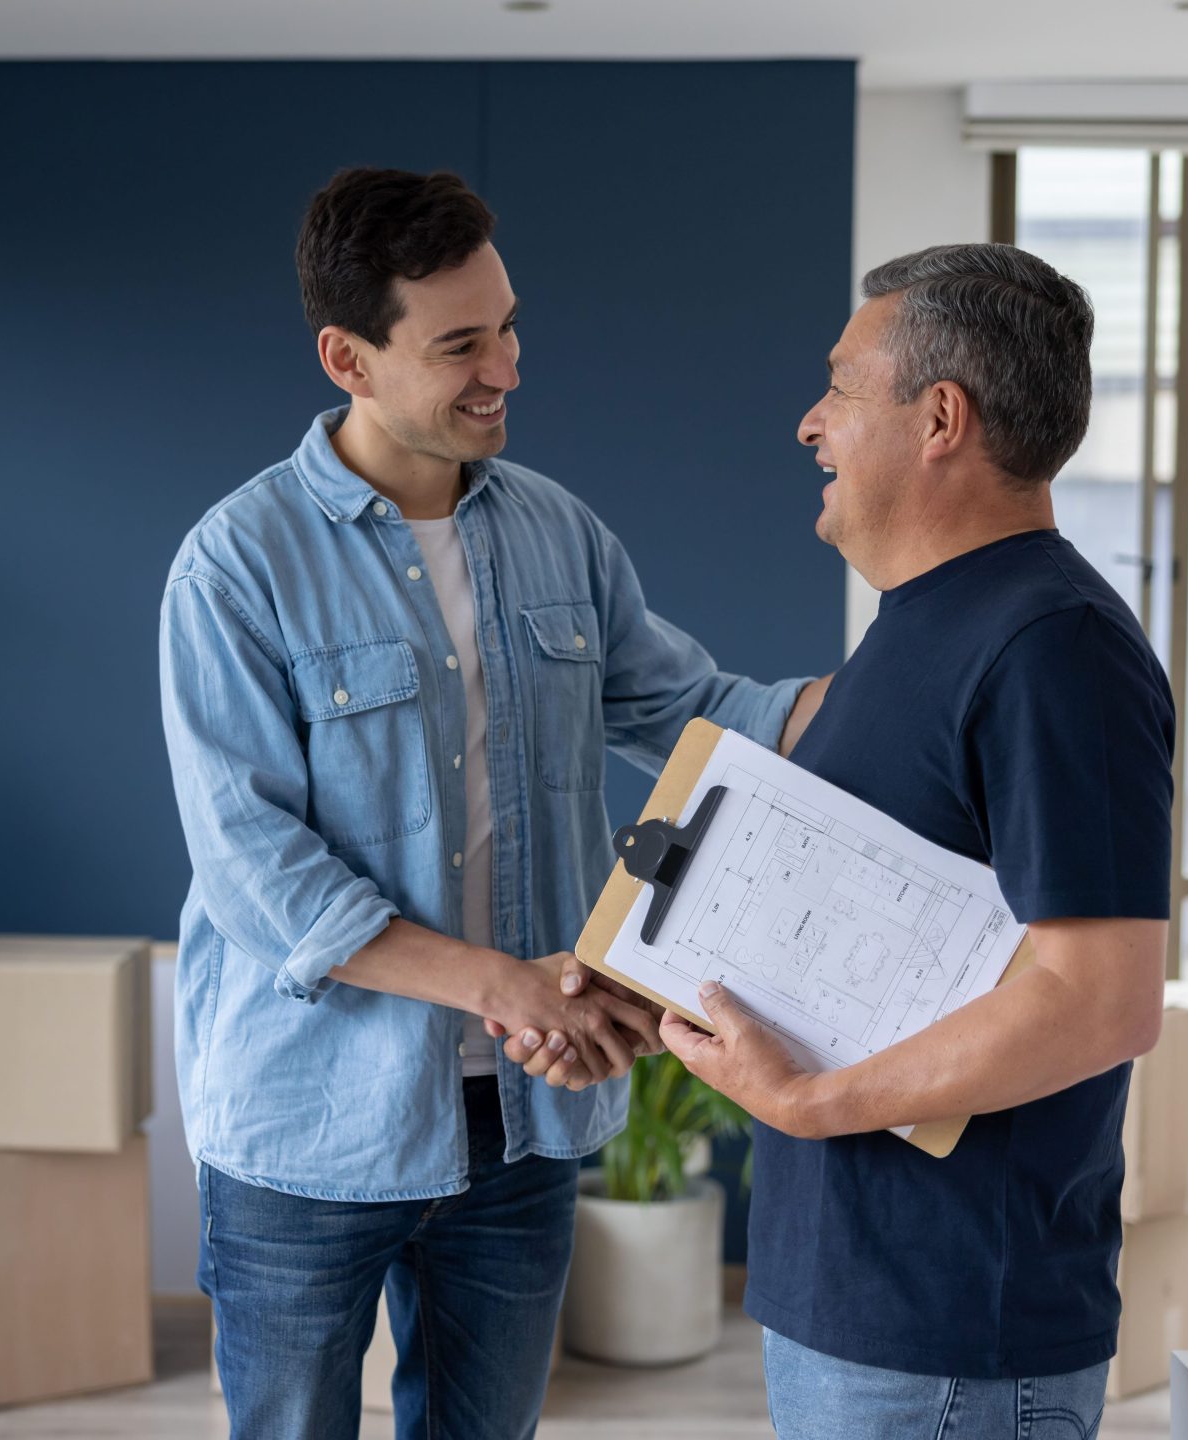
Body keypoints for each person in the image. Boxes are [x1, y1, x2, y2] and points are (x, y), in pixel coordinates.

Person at [158, 167, 814, 1439]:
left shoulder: (559, 535)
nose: (504, 369)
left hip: (520, 1125)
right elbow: (252, 868)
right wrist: (495, 985)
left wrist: (926, 680)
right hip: (309, 1128)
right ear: (346, 356)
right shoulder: (236, 564)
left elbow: (704, 713)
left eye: (508, 326)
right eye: (460, 344)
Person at [639, 244, 1173, 1439]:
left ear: (939, 418)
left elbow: (1101, 1000)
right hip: (853, 1303)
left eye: (837, 387)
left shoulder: (1053, 646)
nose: (807, 424)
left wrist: (811, 1102)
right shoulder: (919, 631)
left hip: (947, 1335)